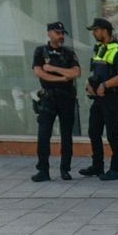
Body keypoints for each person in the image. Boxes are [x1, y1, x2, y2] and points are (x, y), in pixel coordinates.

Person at [32, 21, 81, 183]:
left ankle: (65, 169)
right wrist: (62, 78)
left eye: (62, 34)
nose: (61, 37)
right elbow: (40, 73)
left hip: (66, 98)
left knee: (66, 136)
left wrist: (54, 69)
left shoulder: (68, 53)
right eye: (57, 33)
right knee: (43, 135)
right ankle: (43, 170)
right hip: (48, 99)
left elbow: (76, 72)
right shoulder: (40, 51)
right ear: (49, 33)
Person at [79, 17, 118, 181]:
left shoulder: (117, 51)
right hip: (98, 99)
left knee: (113, 134)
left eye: (96, 30)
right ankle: (97, 165)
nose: (94, 33)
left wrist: (104, 85)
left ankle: (116, 168)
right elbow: (96, 72)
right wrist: (90, 84)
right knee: (93, 131)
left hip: (112, 98)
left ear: (105, 31)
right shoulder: (99, 49)